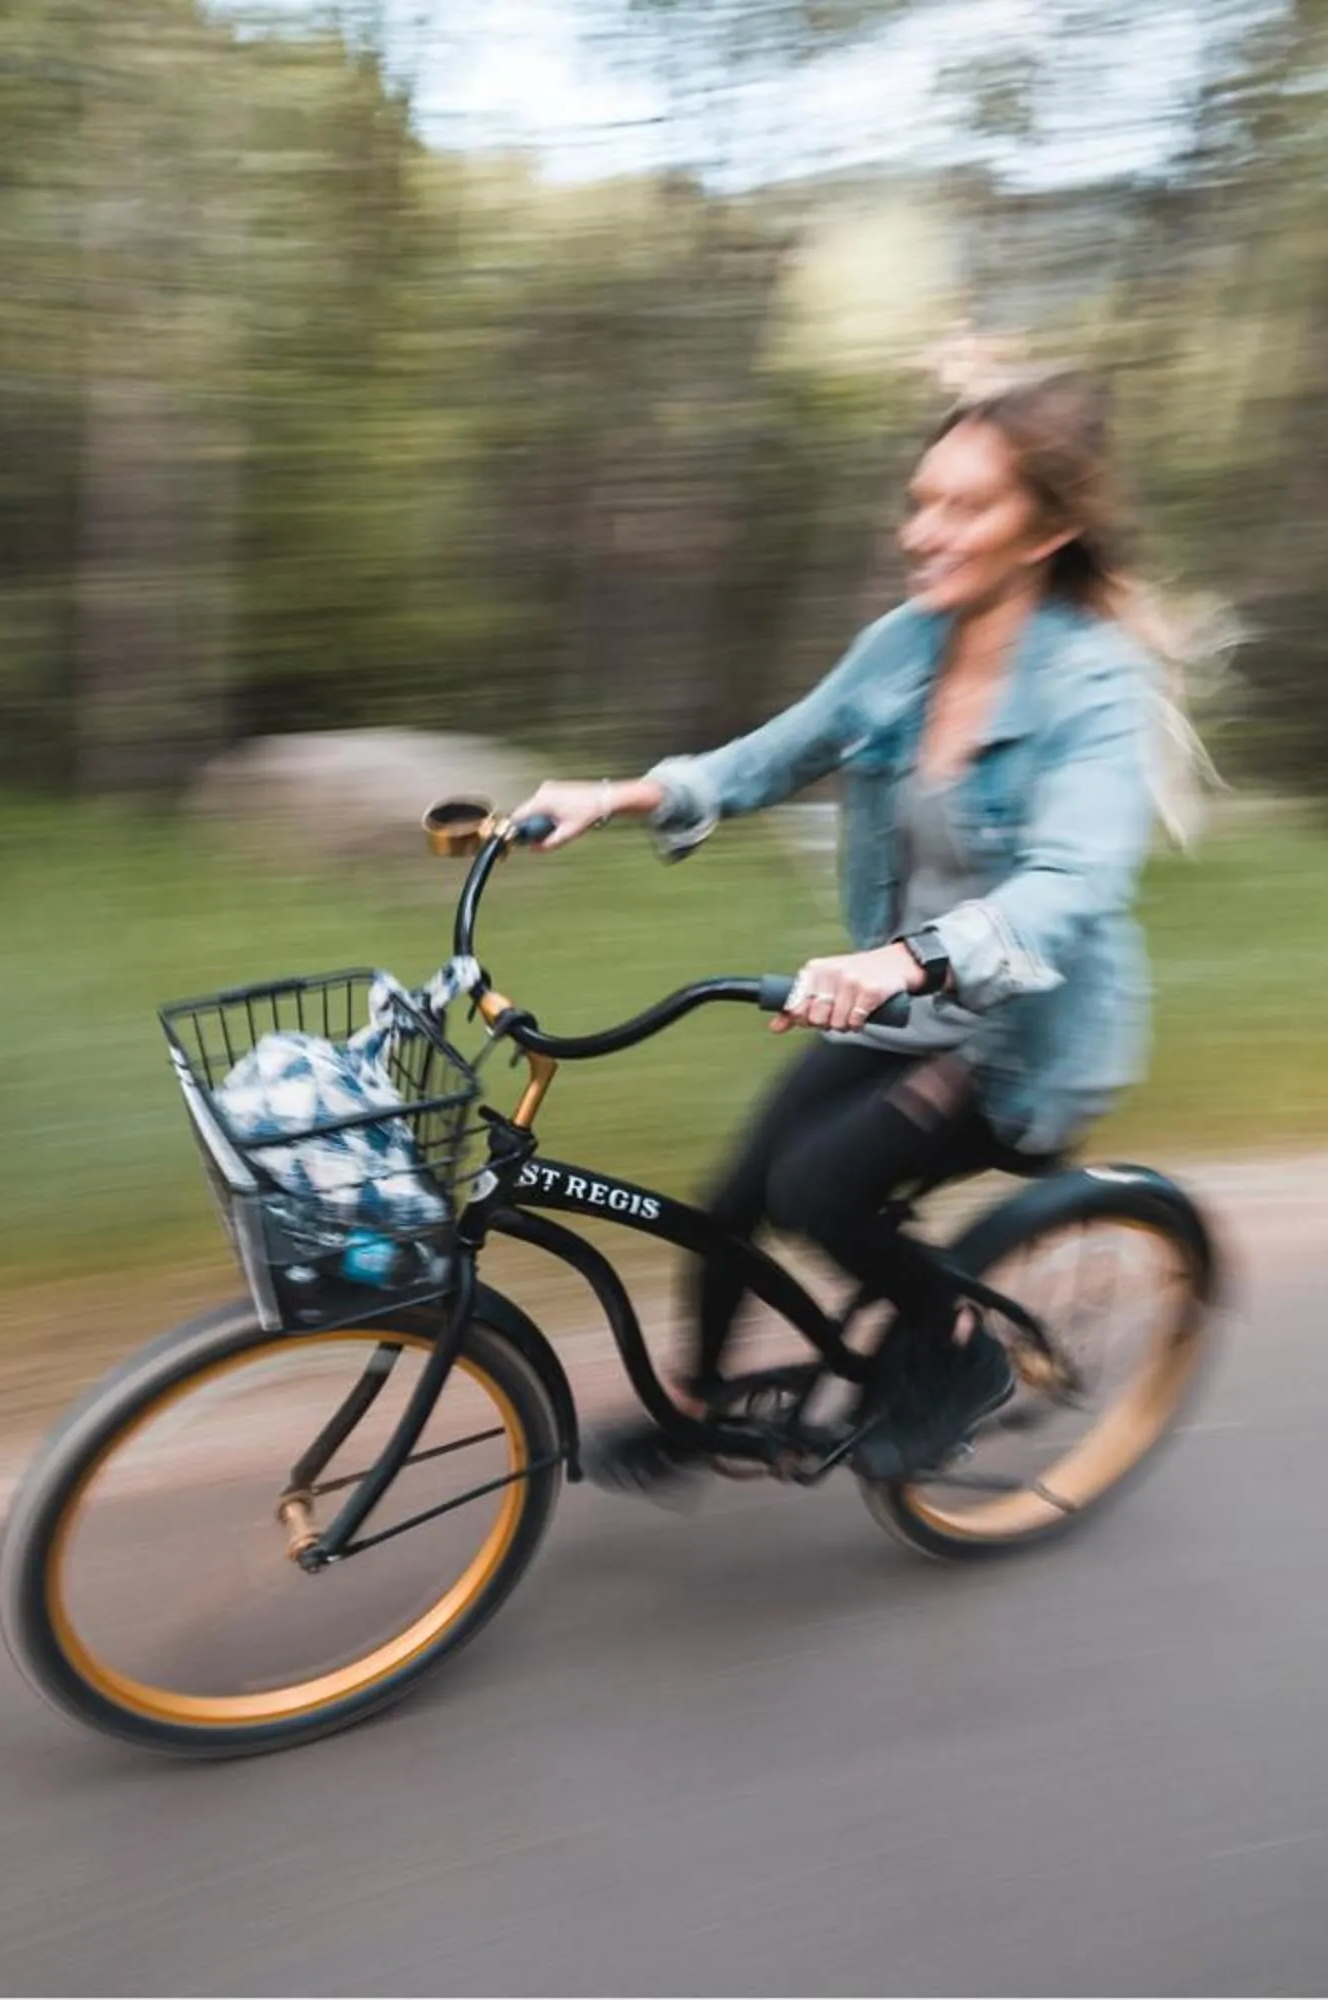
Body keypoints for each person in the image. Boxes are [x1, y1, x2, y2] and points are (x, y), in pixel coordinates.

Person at [512, 367, 1198, 1481]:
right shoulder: (903, 645)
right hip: (897, 1000)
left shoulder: (1096, 685)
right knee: (729, 1204)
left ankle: (963, 1347)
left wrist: (901, 960)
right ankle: (694, 1405)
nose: (922, 532)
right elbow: (770, 754)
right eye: (920, 500)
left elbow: (1071, 882)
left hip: (1018, 1037)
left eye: (964, 508)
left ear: (1048, 529)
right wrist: (620, 796)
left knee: (819, 1189)